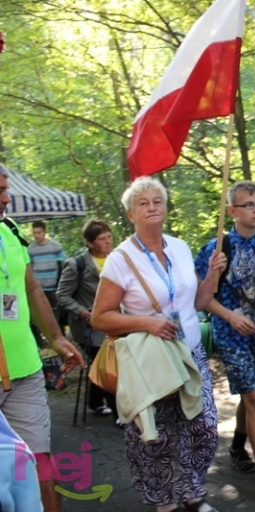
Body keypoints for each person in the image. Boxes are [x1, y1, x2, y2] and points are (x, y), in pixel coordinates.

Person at [91, 177, 225, 512]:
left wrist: (212, 274)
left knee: (203, 428)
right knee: (155, 436)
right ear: (130, 213)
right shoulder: (121, 258)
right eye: (143, 203)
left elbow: (198, 301)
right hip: (150, 358)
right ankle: (164, 500)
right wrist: (147, 322)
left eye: (157, 201)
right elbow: (100, 317)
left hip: (189, 354)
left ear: (165, 208)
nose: (152, 207)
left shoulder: (179, 246)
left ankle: (192, 491)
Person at [194, 180, 255, 510]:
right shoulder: (216, 248)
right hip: (231, 333)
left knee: (252, 393)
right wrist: (230, 316)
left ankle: (238, 446)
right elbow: (201, 299)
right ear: (232, 211)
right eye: (249, 204)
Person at [0, 164, 85, 512]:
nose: (7, 197)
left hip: (25, 371)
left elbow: (31, 288)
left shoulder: (10, 231)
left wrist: (56, 337)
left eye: (5, 188)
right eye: (0, 190)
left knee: (39, 461)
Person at [55, 220, 117, 420]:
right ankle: (119, 412)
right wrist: (81, 311)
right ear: (90, 243)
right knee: (109, 363)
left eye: (109, 237)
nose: (108, 241)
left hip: (116, 321)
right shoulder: (76, 265)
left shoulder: (117, 259)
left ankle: (95, 402)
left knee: (107, 361)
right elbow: (62, 295)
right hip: (89, 327)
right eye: (102, 239)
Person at [27, 220, 66, 345]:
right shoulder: (31, 249)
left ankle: (62, 339)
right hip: (39, 288)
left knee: (56, 314)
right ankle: (40, 342)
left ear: (44, 232)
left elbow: (64, 264)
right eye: (34, 233)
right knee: (37, 315)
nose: (36, 235)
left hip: (54, 286)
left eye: (39, 232)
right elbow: (29, 267)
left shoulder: (55, 246)